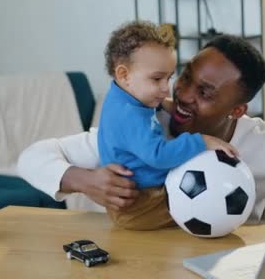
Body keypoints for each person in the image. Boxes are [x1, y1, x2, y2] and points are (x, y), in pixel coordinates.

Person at [18, 34, 265, 226]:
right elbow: (32, 157)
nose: (182, 95)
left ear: (238, 110)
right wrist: (84, 180)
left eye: (205, 93)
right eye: (184, 78)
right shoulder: (148, 126)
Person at [96, 21, 238, 230]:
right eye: (157, 79)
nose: (166, 88)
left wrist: (165, 105)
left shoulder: (124, 97)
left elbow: (147, 107)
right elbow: (158, 155)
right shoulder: (128, 116)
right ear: (123, 74)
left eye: (169, 77)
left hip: (144, 194)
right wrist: (201, 141)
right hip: (141, 203)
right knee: (207, 209)